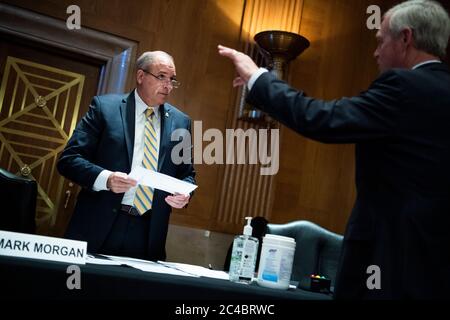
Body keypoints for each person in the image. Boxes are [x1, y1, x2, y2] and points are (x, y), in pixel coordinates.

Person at [218, 0, 450, 299]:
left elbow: (323, 119)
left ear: (406, 38)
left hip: (388, 265)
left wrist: (258, 78)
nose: (375, 52)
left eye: (381, 41)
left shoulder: (403, 86)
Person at [57, 51, 195, 261]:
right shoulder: (105, 108)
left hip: (148, 233)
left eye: (172, 79)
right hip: (98, 223)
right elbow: (69, 159)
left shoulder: (181, 122)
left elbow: (187, 174)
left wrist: (184, 196)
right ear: (141, 76)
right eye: (161, 77)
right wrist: (106, 179)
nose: (168, 86)